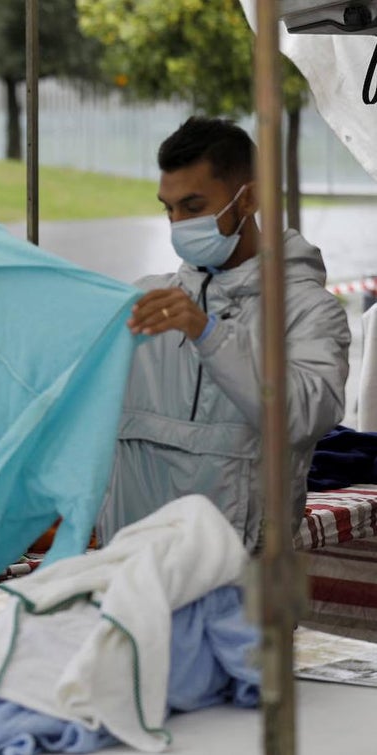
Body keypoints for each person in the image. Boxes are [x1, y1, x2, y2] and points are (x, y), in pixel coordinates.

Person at [96, 116, 350, 549]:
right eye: (168, 208)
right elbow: (54, 365)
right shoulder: (146, 298)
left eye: (193, 208)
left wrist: (209, 334)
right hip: (132, 577)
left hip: (241, 582)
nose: (177, 224)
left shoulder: (308, 311)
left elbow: (304, 417)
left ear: (248, 198)